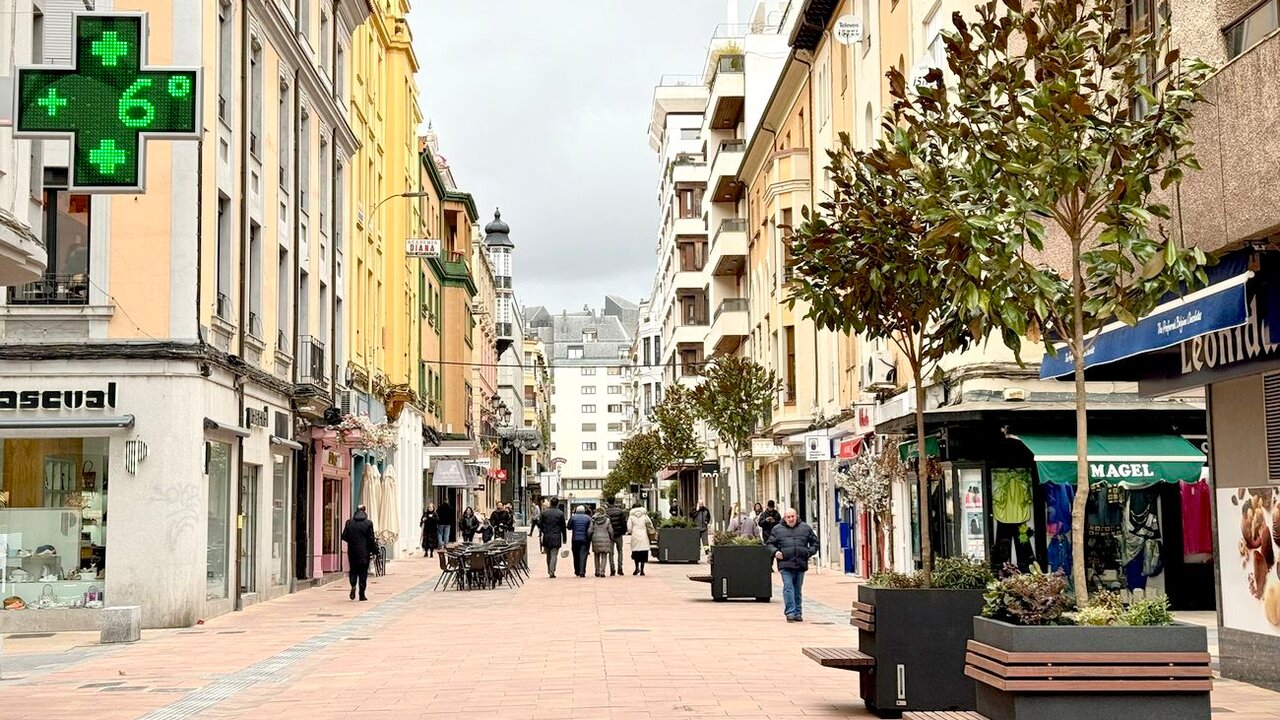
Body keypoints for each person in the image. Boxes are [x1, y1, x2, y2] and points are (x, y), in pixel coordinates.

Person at [765, 507, 820, 622]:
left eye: (792, 516)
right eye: (788, 517)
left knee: (797, 589)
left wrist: (808, 552)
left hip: (800, 563)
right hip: (785, 563)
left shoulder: (805, 528)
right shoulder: (777, 529)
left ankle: (798, 612)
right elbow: (769, 544)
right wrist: (776, 552)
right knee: (788, 587)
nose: (790, 519)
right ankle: (790, 612)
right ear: (784, 518)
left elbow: (815, 543)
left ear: (796, 516)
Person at [341, 504, 377, 601]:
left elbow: (344, 536)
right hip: (364, 552)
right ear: (364, 511)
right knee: (363, 572)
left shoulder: (349, 522)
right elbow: (371, 539)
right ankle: (362, 594)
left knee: (353, 570)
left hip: (352, 551)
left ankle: (353, 585)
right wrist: (374, 550)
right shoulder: (368, 523)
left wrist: (353, 541)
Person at [536, 498, 567, 577]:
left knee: (548, 555)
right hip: (556, 536)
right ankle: (552, 571)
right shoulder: (560, 513)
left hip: (547, 535)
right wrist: (564, 538)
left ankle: (549, 569)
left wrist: (544, 530)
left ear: (550, 503)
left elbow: (539, 523)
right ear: (557, 503)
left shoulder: (544, 512)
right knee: (554, 555)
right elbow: (563, 526)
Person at [627, 504, 655, 575]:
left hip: (635, 535)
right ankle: (642, 570)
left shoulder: (631, 516)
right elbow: (650, 524)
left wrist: (631, 531)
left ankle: (636, 568)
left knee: (636, 552)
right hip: (644, 535)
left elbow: (629, 528)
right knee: (643, 552)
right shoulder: (645, 515)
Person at [604, 498, 628, 577]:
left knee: (611, 552)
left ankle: (612, 569)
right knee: (620, 551)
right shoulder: (619, 511)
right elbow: (623, 522)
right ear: (614, 502)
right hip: (619, 534)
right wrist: (623, 531)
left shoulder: (606, 512)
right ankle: (620, 568)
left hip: (609, 535)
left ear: (608, 502)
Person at [568, 505, 593, 577]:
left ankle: (577, 571)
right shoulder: (588, 518)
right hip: (585, 539)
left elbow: (569, 527)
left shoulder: (573, 517)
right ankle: (582, 571)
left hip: (575, 539)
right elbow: (591, 528)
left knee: (575, 556)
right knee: (583, 555)